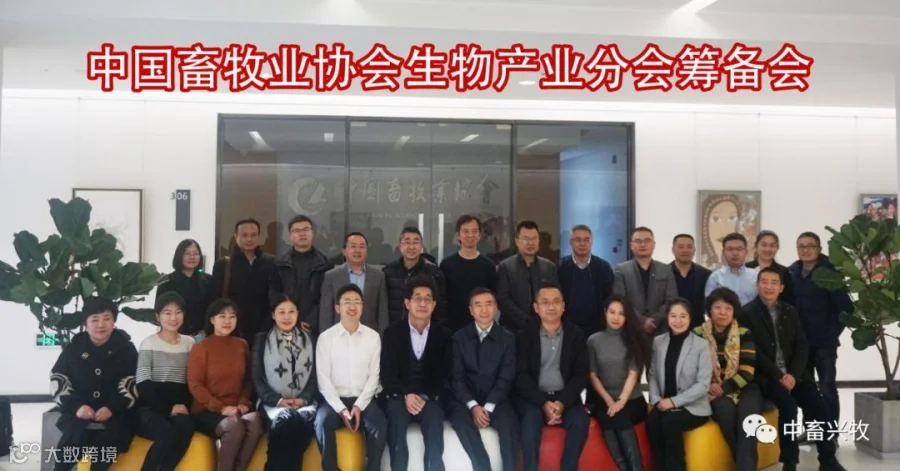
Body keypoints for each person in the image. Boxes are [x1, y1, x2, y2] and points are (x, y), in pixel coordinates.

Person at [739, 268, 848, 471]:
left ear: (781, 288)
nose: (769, 286)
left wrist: (793, 375)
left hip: (795, 375)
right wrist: (779, 375)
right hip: (767, 377)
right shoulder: (746, 313)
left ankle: (828, 460)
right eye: (764, 282)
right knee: (788, 407)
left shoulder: (790, 311)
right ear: (757, 285)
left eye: (774, 283)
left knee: (820, 407)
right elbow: (754, 352)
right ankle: (790, 461)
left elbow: (801, 345)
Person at [49, 297, 139, 471]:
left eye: (107, 318)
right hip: (78, 414)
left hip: (116, 415)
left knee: (104, 455)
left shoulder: (126, 349)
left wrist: (112, 407)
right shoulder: (74, 348)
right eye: (94, 319)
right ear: (85, 323)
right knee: (65, 456)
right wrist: (77, 406)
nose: (101, 325)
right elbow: (58, 379)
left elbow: (133, 381)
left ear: (114, 321)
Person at [381, 276, 453, 471]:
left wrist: (424, 396)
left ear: (434, 305)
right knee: (396, 429)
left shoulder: (444, 335)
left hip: (429, 397)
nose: (422, 304)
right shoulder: (392, 333)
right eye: (417, 298)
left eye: (427, 299)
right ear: (407, 303)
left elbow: (445, 373)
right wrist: (406, 394)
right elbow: (387, 372)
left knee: (435, 430)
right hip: (399, 396)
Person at [515, 283, 589, 471]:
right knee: (530, 423)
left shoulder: (576, 335)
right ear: (536, 307)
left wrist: (561, 402)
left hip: (565, 398)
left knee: (580, 421)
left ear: (563, 306)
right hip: (534, 400)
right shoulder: (524, 335)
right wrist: (543, 403)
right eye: (545, 302)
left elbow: (580, 375)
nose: (551, 307)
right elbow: (521, 376)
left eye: (556, 302)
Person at [315, 284, 387, 471]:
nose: (352, 306)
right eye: (347, 302)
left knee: (379, 425)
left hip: (364, 400)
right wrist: (341, 409)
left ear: (363, 307)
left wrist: (358, 406)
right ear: (337, 308)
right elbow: (323, 380)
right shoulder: (326, 338)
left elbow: (375, 377)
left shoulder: (373, 337)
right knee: (322, 423)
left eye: (357, 302)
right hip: (334, 401)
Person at [188, 299, 263, 471]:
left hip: (236, 407)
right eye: (222, 316)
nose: (227, 321)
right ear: (212, 320)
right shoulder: (201, 347)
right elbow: (195, 384)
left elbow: (248, 379)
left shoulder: (241, 345)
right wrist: (221, 408)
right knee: (233, 426)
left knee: (255, 421)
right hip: (207, 410)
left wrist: (243, 402)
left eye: (232, 316)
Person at [449, 288, 519, 471]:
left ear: (496, 307)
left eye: (489, 304)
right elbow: (457, 378)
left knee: (509, 425)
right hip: (465, 400)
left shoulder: (508, 338)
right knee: (461, 423)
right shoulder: (459, 338)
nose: (484, 310)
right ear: (471, 310)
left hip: (496, 399)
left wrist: (487, 407)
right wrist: (473, 406)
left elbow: (506, 377)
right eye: (478, 305)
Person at [789, 231, 853, 427]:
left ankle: (830, 432)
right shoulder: (792, 273)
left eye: (810, 246)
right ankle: (811, 429)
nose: (805, 250)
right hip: (800, 344)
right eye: (801, 246)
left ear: (819, 249)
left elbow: (846, 308)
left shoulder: (830, 274)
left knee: (827, 388)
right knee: (806, 389)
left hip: (824, 344)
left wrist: (831, 332)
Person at [695, 287, 762, 471]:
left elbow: (747, 372)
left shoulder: (744, 333)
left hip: (745, 386)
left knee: (748, 421)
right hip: (711, 388)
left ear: (734, 311)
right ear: (710, 309)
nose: (722, 312)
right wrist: (710, 386)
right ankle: (746, 465)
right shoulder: (697, 333)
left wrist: (723, 388)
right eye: (718, 307)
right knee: (726, 414)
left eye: (728, 308)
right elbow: (692, 369)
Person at [252, 295, 319, 471]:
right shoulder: (262, 339)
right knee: (286, 420)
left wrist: (303, 399)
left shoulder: (309, 338)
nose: (287, 317)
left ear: (298, 313)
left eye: (291, 312)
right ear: (273, 315)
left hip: (303, 402)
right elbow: (257, 378)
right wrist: (278, 401)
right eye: (281, 312)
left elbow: (314, 377)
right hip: (271, 403)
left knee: (298, 423)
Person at [646, 299, 712, 471]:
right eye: (673, 316)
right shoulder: (658, 342)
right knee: (652, 422)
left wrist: (674, 402)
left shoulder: (701, 345)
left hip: (693, 407)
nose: (678, 320)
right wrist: (656, 400)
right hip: (664, 403)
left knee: (670, 423)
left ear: (690, 318)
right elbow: (652, 375)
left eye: (683, 316)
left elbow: (703, 384)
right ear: (667, 317)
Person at [587, 295, 651, 471]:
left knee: (619, 415)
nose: (616, 317)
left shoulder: (633, 339)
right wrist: (609, 401)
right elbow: (592, 375)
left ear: (627, 316)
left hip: (632, 400)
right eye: (612, 312)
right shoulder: (593, 340)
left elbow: (633, 374)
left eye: (621, 314)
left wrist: (620, 402)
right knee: (605, 418)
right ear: (605, 313)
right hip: (605, 400)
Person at [135, 292, 196, 471]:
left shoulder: (190, 343)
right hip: (150, 408)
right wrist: (168, 409)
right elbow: (143, 383)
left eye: (178, 312)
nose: (173, 318)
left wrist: (184, 406)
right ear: (158, 316)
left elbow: (192, 379)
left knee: (186, 427)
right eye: (167, 313)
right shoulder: (149, 343)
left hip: (179, 407)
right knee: (167, 434)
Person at [208, 218, 276, 346]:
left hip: (264, 330)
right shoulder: (224, 264)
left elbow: (275, 296)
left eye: (253, 235)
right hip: (232, 329)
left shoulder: (271, 263)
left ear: (259, 236)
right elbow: (215, 299)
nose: (249, 239)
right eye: (244, 235)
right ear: (236, 236)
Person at [270, 214, 334, 335]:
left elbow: (326, 298)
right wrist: (291, 317)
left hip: (315, 326)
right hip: (287, 324)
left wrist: (311, 320)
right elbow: (275, 294)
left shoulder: (325, 265)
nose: (302, 234)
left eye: (305, 229)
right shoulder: (280, 264)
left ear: (312, 233)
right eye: (297, 230)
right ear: (290, 235)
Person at [318, 232, 389, 334]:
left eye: (362, 247)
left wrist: (383, 338)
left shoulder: (378, 276)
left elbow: (383, 312)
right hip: (339, 335)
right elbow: (326, 313)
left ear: (367, 251)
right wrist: (326, 337)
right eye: (353, 246)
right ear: (344, 251)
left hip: (369, 335)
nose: (357, 250)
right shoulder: (331, 276)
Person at [497, 220, 559, 333]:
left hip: (543, 328)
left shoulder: (549, 267)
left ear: (539, 241)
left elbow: (555, 297)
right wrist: (526, 322)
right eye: (525, 239)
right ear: (517, 241)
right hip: (512, 329)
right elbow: (503, 300)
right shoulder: (505, 267)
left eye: (534, 239)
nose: (530, 243)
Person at [613, 227, 678, 335]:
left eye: (647, 241)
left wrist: (655, 320)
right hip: (631, 330)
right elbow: (621, 300)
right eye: (638, 241)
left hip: (661, 330)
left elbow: (671, 300)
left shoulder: (666, 269)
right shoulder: (621, 270)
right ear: (631, 245)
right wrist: (642, 321)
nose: (643, 245)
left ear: (654, 245)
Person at [440, 215, 498, 332]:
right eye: (466, 231)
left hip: (481, 327)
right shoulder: (446, 265)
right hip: (452, 327)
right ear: (458, 235)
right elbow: (442, 299)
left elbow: (494, 298)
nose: (470, 235)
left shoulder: (489, 266)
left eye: (474, 231)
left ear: (479, 235)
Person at [383, 227, 448, 326]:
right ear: (400, 245)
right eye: (407, 242)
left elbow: (441, 308)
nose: (411, 247)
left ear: (421, 246)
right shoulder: (388, 272)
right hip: (395, 330)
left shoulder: (434, 273)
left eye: (416, 242)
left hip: (424, 330)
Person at [558, 224, 615, 337]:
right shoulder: (559, 267)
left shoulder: (604, 268)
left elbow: (610, 299)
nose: (582, 243)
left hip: (597, 330)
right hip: (567, 329)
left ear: (591, 242)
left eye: (586, 240)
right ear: (570, 242)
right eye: (578, 240)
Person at [156, 239, 211, 336]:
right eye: (187, 253)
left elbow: (212, 309)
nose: (192, 257)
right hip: (174, 334)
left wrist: (205, 331)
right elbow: (160, 311)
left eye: (196, 254)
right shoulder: (166, 281)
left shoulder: (208, 280)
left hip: (202, 335)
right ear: (179, 255)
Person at [669, 234, 712, 328]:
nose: (685, 250)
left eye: (689, 247)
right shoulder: (664, 273)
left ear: (694, 250)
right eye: (681, 247)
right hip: (669, 326)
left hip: (698, 327)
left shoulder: (706, 275)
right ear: (673, 250)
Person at [704, 233, 758, 306]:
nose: (735, 253)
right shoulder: (715, 277)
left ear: (746, 252)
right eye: (730, 249)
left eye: (739, 249)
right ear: (723, 252)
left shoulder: (756, 276)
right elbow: (709, 305)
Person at [745, 230, 794, 306]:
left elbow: (788, 300)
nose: (768, 249)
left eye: (772, 246)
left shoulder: (784, 272)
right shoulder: (745, 268)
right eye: (764, 245)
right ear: (756, 246)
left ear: (777, 248)